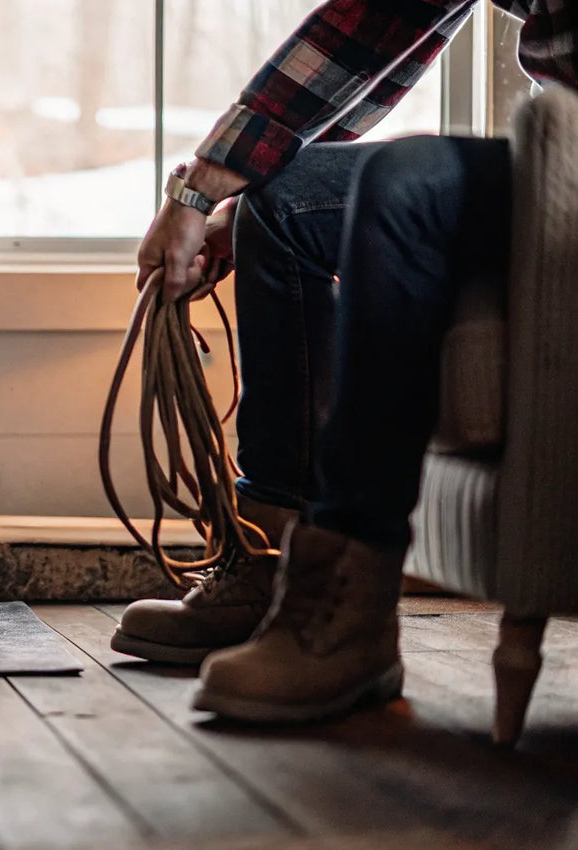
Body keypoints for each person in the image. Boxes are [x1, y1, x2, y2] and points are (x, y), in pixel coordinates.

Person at [108, 0, 576, 723]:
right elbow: (370, 27)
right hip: (560, 156)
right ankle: (272, 567)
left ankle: (347, 623)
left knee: (406, 181)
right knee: (284, 204)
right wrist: (208, 189)